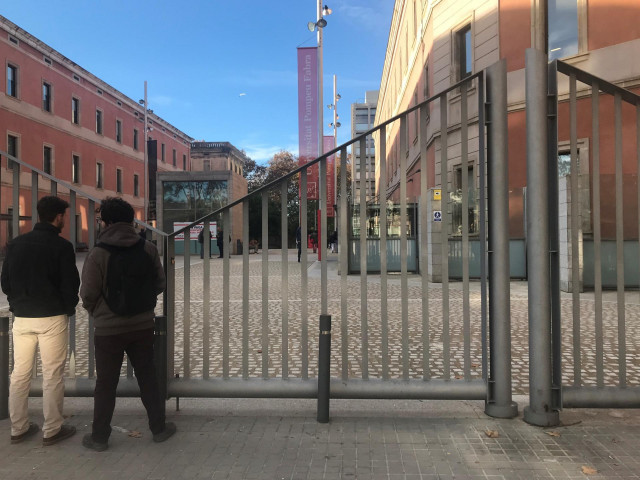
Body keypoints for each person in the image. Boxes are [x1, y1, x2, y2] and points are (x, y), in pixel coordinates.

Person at [80, 197, 175, 451]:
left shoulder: (98, 253)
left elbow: (88, 293)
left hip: (108, 330)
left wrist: (99, 312)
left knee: (106, 384)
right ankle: (159, 428)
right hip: (142, 325)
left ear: (107, 222)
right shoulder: (148, 248)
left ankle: (99, 437)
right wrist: (143, 304)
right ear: (131, 221)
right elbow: (160, 283)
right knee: (148, 377)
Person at [1, 195, 80, 446]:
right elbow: (71, 284)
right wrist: (68, 308)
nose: (64, 221)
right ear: (58, 217)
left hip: (22, 318)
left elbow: (5, 282)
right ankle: (52, 429)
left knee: (19, 374)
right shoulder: (62, 246)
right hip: (52, 316)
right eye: (64, 217)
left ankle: (18, 428)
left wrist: (16, 305)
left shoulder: (14, 245)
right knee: (53, 375)